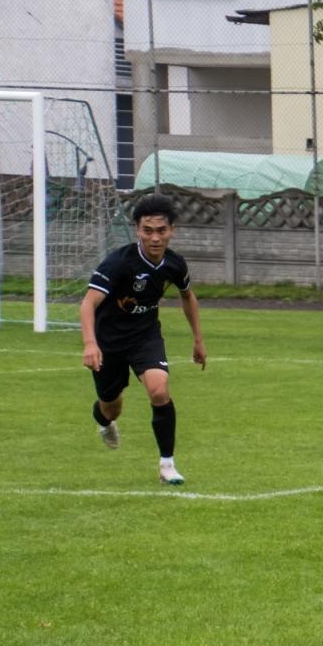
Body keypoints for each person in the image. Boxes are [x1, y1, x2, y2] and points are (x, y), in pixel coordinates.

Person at [80, 193, 206, 485]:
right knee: (111, 407)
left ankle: (167, 465)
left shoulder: (175, 264)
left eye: (161, 231)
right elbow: (88, 303)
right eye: (147, 231)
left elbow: (188, 297)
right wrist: (90, 343)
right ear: (137, 230)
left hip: (145, 336)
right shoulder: (118, 263)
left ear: (172, 230)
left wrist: (198, 340)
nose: (155, 238)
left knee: (159, 390)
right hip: (109, 341)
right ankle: (104, 421)